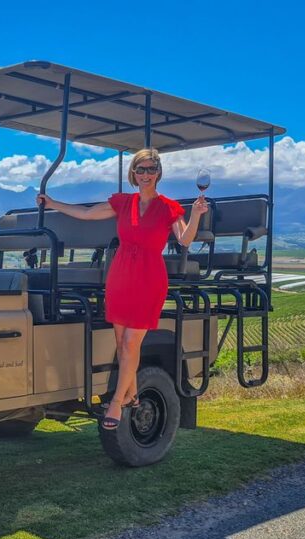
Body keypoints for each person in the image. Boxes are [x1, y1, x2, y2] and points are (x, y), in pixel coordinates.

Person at [36, 148, 209, 430]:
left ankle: (116, 401)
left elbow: (185, 239)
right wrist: (54, 203)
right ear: (133, 173)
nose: (145, 174)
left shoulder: (169, 207)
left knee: (130, 343)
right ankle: (131, 394)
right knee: (122, 344)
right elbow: (88, 213)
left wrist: (196, 214)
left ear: (158, 173)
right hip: (120, 275)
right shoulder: (122, 203)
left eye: (151, 169)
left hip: (150, 278)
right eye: (140, 169)